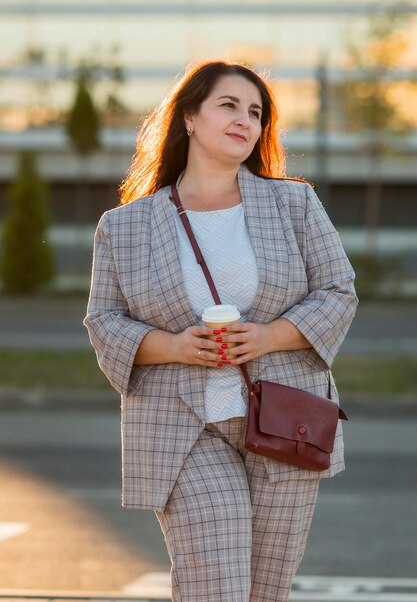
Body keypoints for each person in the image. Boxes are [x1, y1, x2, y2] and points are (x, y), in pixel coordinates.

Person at [84, 59, 358, 602]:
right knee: (216, 587)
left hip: (285, 425)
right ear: (189, 117)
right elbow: (104, 320)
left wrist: (268, 336)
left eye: (255, 112)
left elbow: (338, 291)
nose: (245, 120)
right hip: (182, 429)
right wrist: (173, 346)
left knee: (264, 590)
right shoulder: (125, 225)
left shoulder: (294, 203)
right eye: (228, 105)